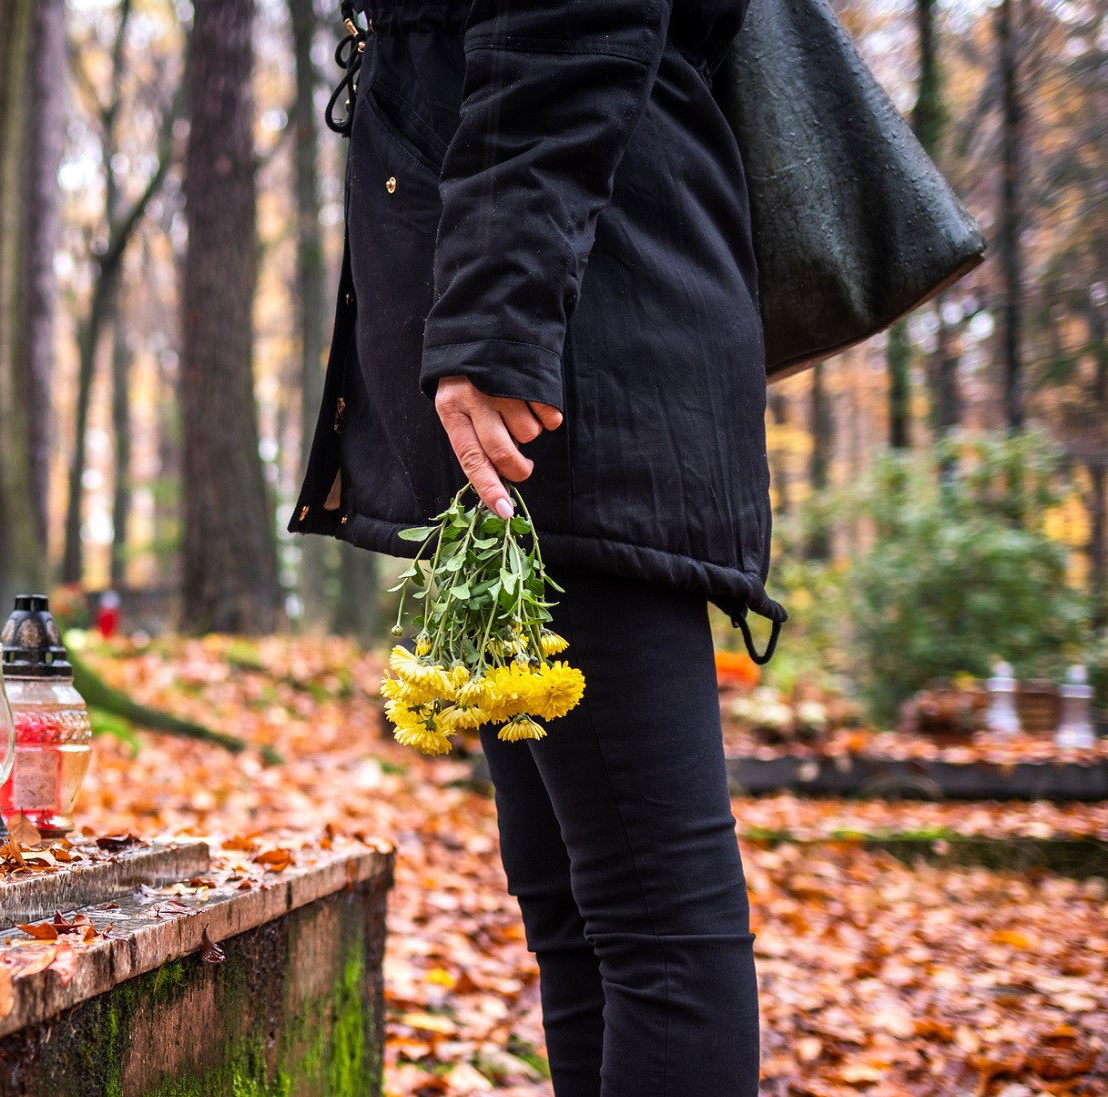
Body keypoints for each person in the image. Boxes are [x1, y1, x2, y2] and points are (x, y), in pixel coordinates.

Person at [290, 1, 785, 1094]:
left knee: (654, 921)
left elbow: (573, 17)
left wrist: (495, 321)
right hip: (535, 345)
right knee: (576, 905)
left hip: (562, 360)